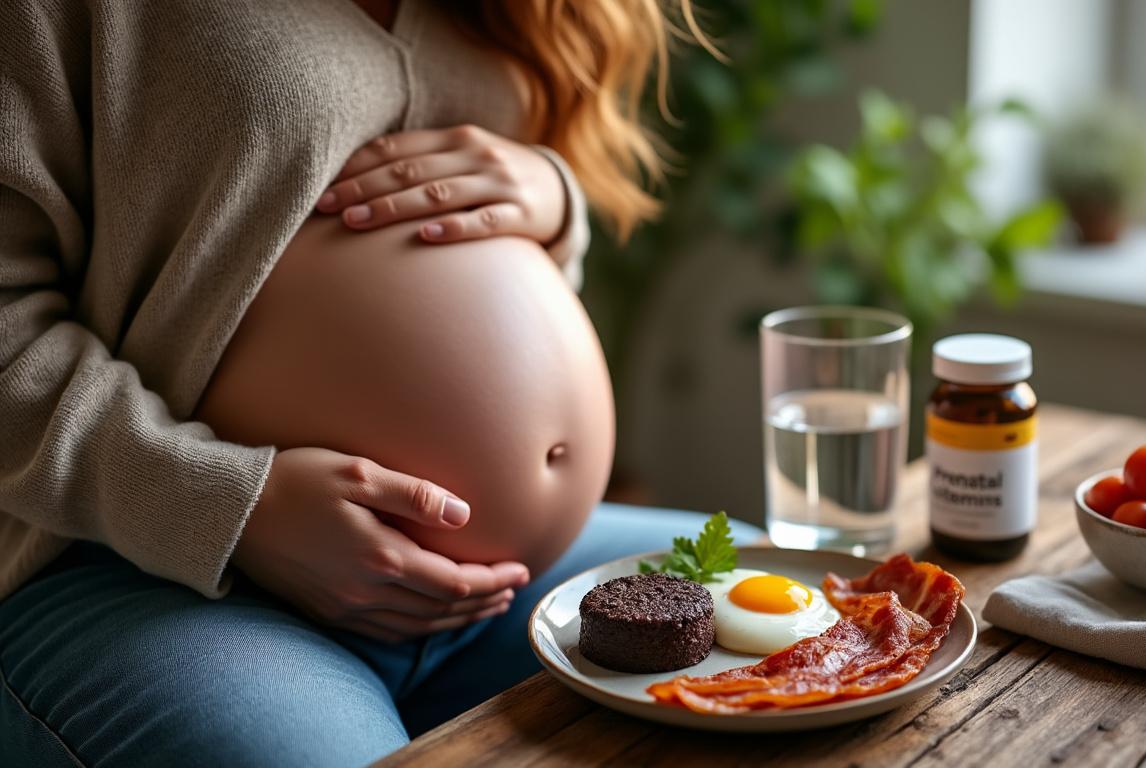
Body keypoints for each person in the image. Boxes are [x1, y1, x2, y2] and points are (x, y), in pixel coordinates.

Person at [0, 1, 756, 765]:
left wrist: (554, 202)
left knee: (803, 614)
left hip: (500, 588)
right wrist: (235, 506)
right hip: (146, 581)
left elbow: (478, 278)